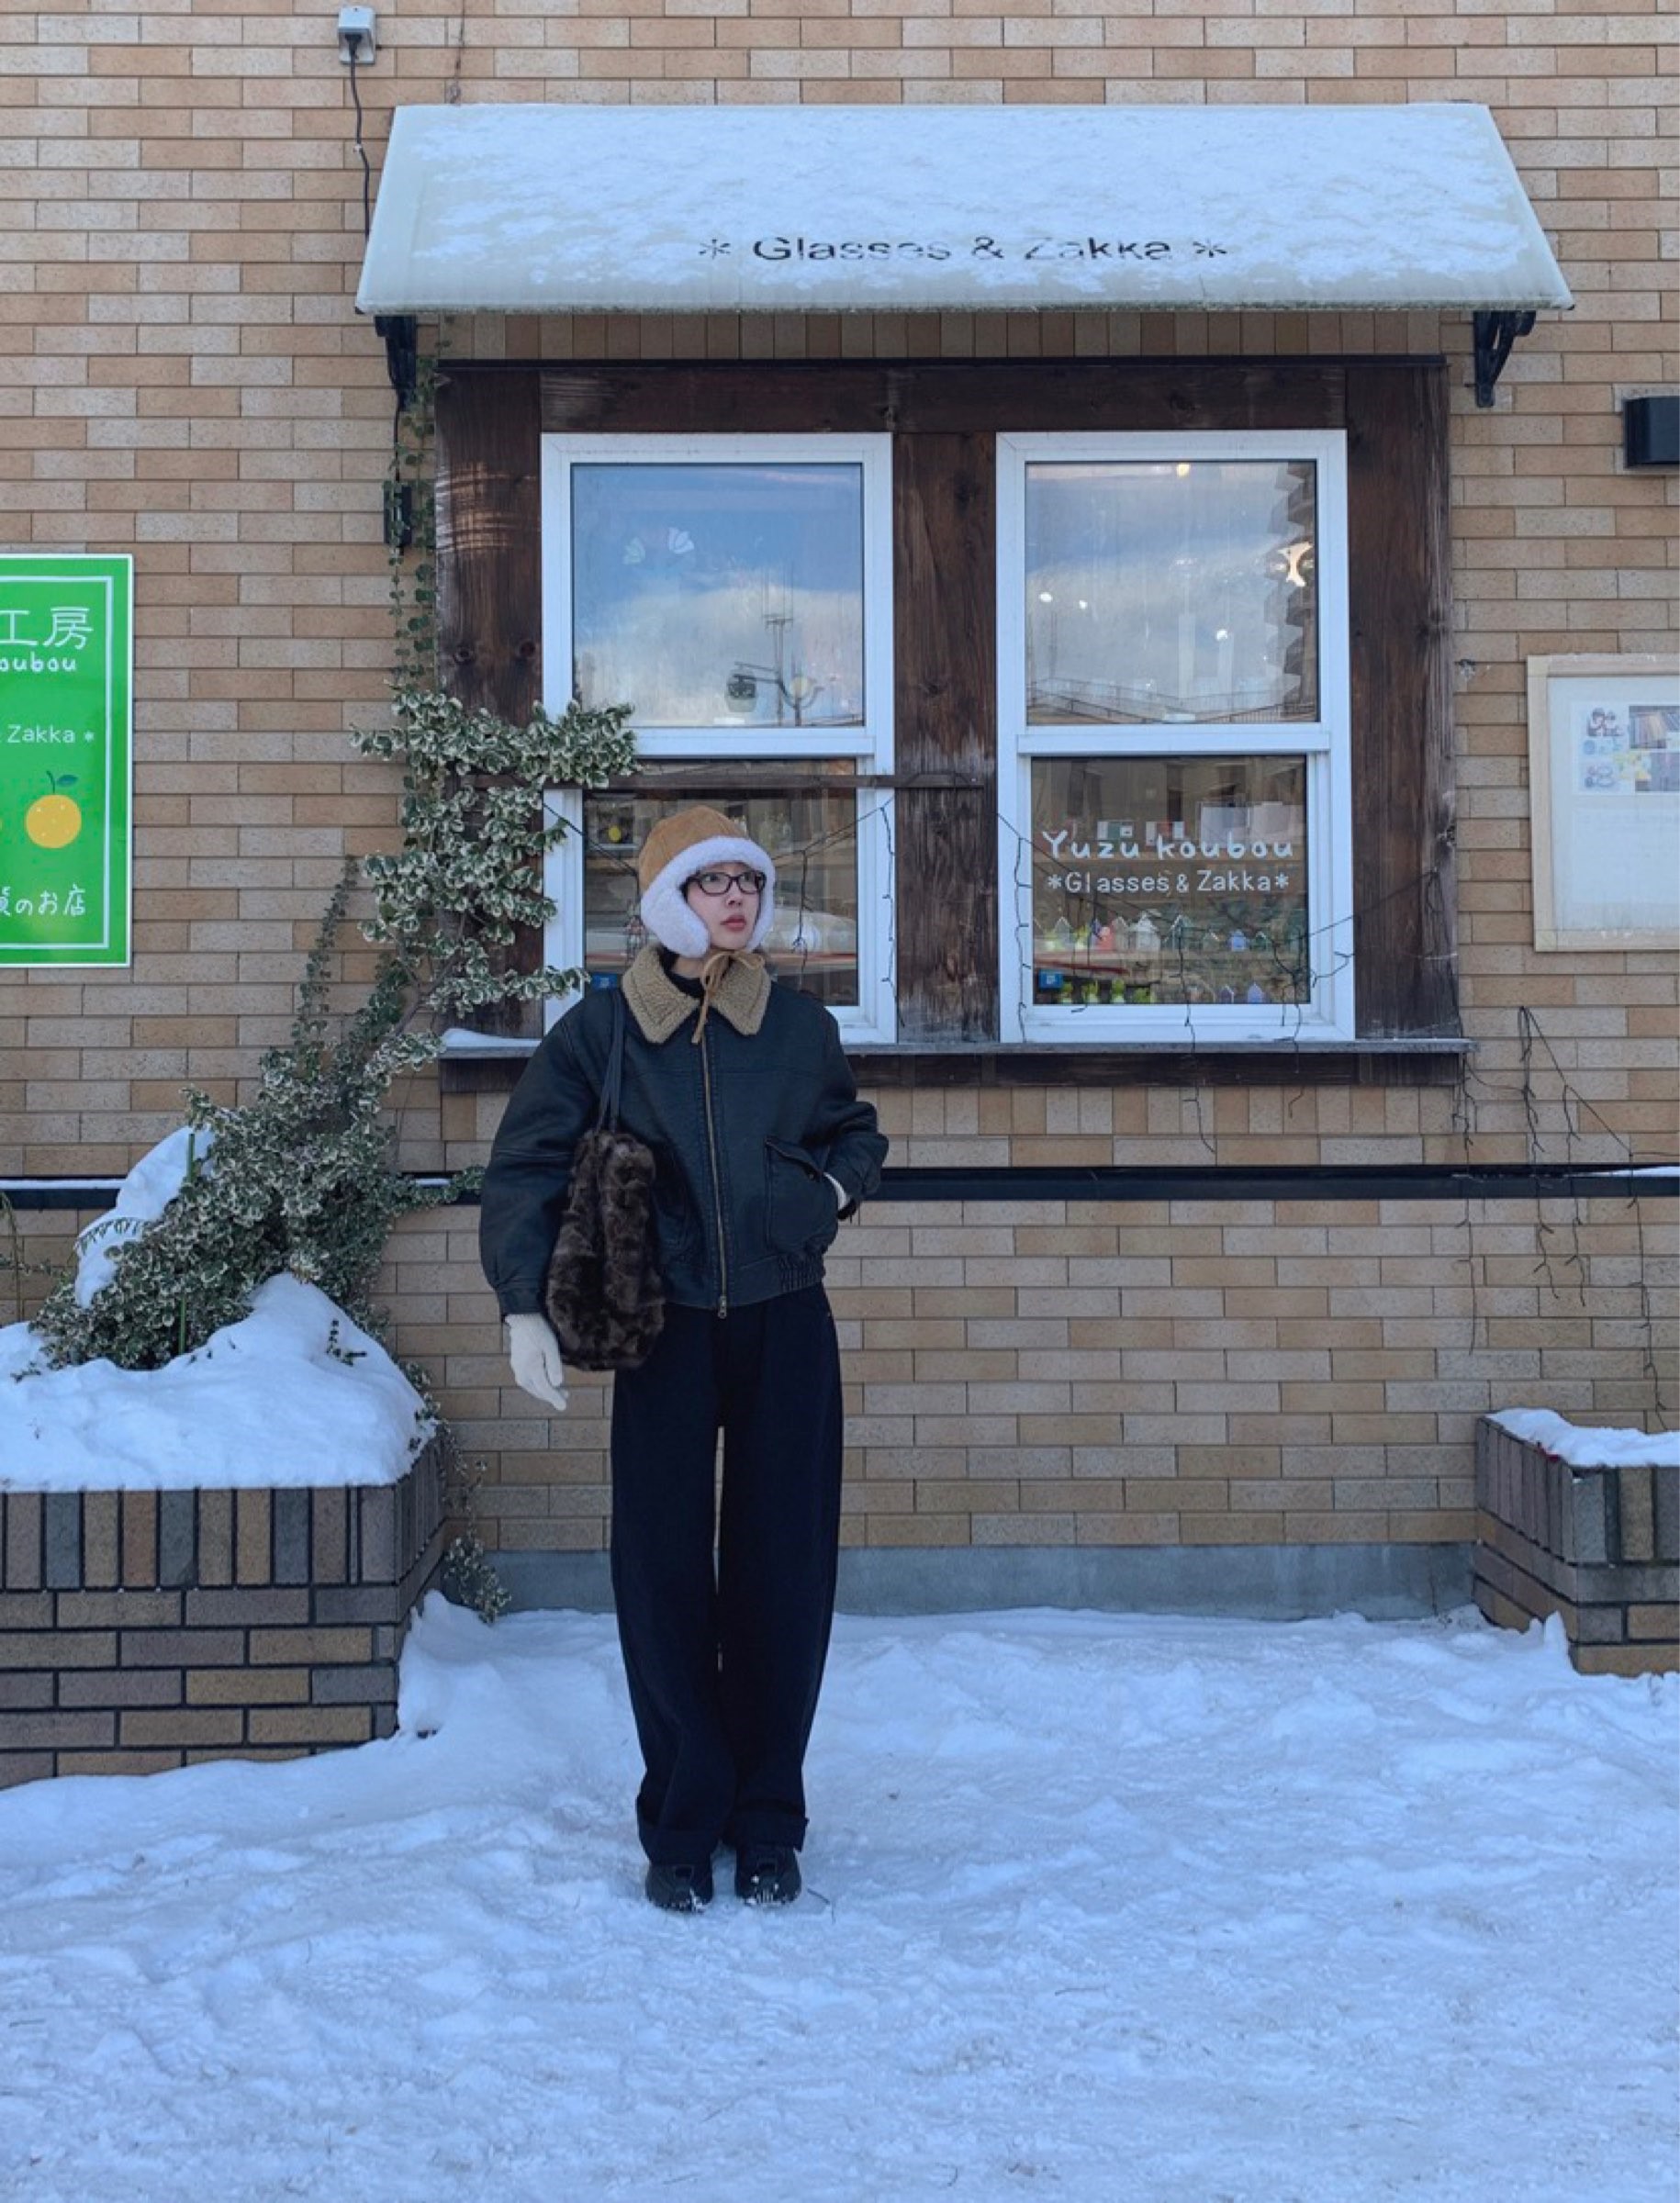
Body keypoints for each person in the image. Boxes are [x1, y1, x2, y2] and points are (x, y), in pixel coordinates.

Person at [478, 806, 888, 1914]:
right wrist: (523, 1308)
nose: (737, 900)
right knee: (659, 1575)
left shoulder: (797, 1027)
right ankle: (682, 1821)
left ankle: (767, 1822)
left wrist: (827, 1190)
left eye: (748, 883)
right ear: (668, 901)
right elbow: (525, 1166)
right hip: (658, 1326)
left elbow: (854, 1134)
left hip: (784, 1320)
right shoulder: (601, 1032)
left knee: (782, 1573)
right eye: (713, 884)